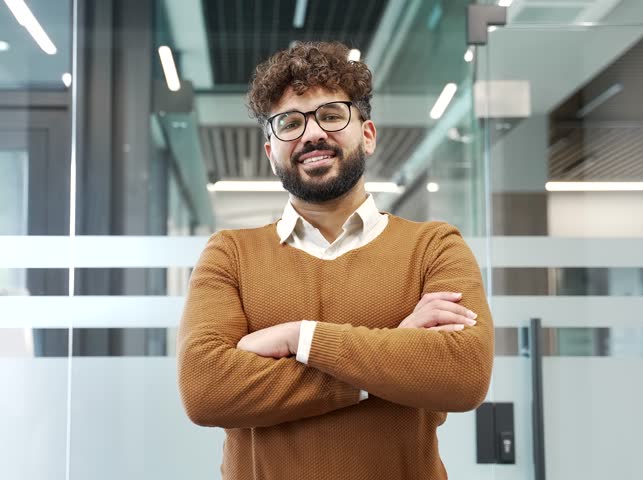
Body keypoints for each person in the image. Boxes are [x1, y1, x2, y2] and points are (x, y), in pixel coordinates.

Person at [177, 41, 493, 480]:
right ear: (271, 154)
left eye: (330, 115)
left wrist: (297, 337)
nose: (311, 135)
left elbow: (464, 374)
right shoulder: (230, 254)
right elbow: (206, 389)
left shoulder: (434, 246)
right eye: (289, 123)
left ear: (367, 134)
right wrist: (390, 358)